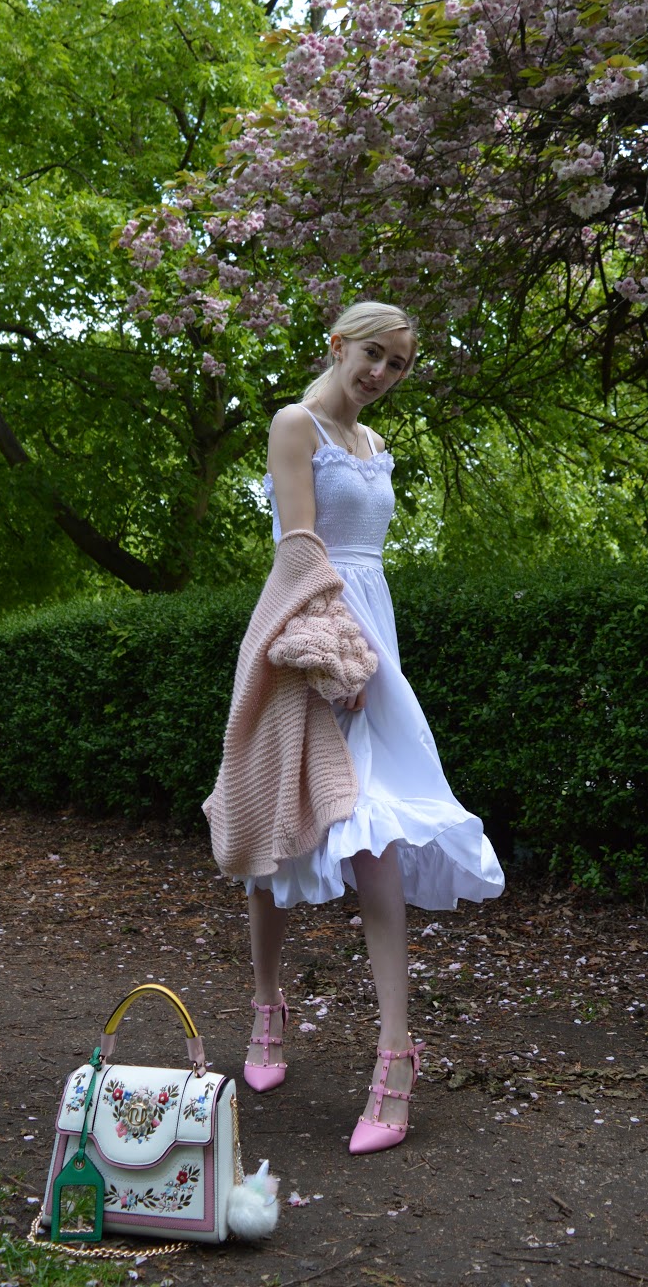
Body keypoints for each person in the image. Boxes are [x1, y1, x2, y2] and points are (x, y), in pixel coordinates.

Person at [203, 301, 504, 1155]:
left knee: (378, 839)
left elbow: (365, 557)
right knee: (275, 827)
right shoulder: (293, 425)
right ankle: (267, 1007)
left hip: (374, 643)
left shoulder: (376, 445)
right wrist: (338, 659)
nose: (382, 374)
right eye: (374, 354)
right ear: (338, 345)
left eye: (398, 364)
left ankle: (395, 1060)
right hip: (307, 635)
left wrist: (372, 663)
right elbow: (300, 550)